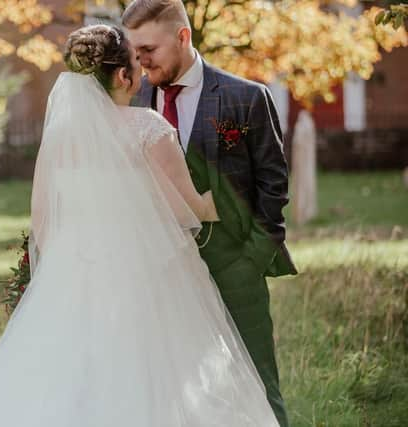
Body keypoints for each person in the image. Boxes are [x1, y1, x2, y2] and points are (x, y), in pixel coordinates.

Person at [0, 24, 279, 427]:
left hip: (71, 282)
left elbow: (42, 225)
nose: (141, 73)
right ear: (123, 76)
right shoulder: (149, 127)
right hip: (148, 279)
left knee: (66, 384)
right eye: (136, 64)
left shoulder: (61, 138)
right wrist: (233, 190)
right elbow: (188, 210)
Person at [122, 1, 298, 425]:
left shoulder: (246, 97)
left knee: (258, 384)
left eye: (149, 49)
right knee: (172, 391)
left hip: (235, 265)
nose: (140, 62)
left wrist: (251, 261)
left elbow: (272, 188)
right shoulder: (129, 102)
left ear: (182, 37)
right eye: (134, 51)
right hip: (161, 279)